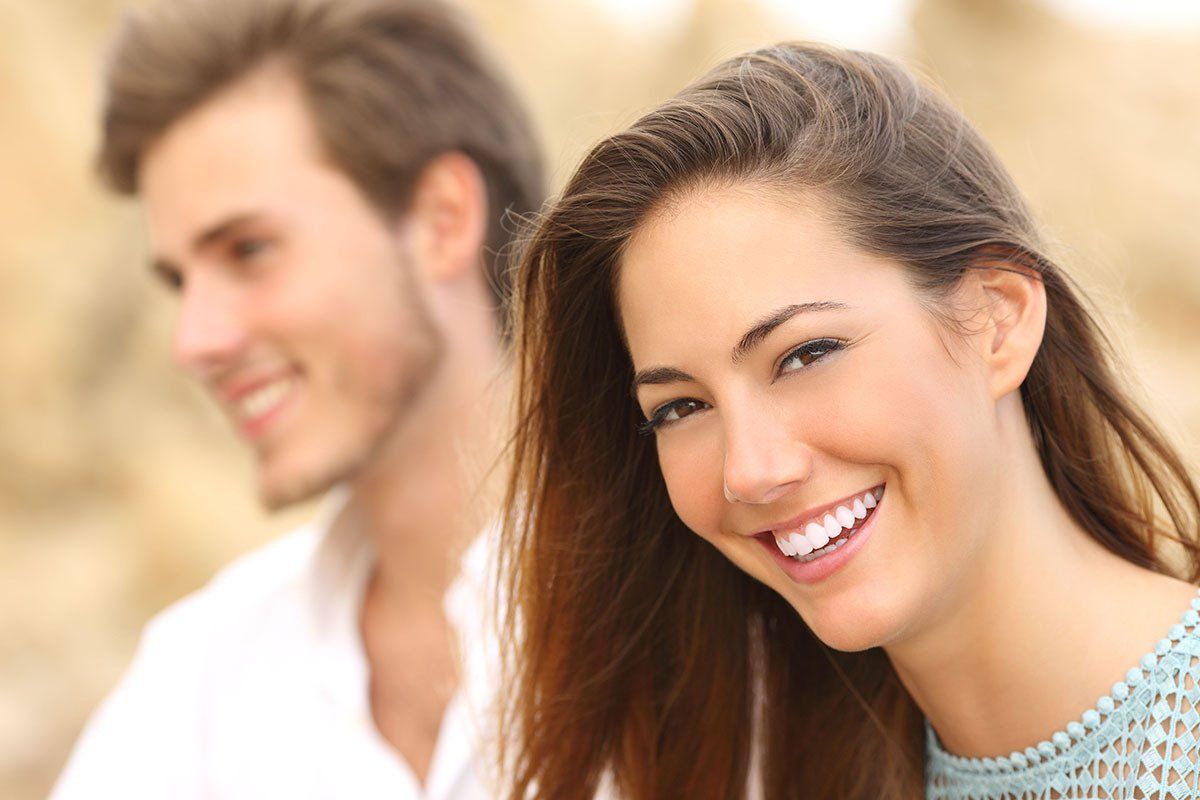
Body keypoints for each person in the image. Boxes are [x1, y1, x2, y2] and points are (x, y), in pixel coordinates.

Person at [498, 42, 1200, 799]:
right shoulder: (770, 773)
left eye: (805, 354)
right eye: (681, 407)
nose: (750, 470)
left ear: (998, 319)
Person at [52, 0, 542, 797]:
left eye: (249, 250)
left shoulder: (715, 613)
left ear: (440, 220)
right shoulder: (202, 675)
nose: (193, 341)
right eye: (180, 281)